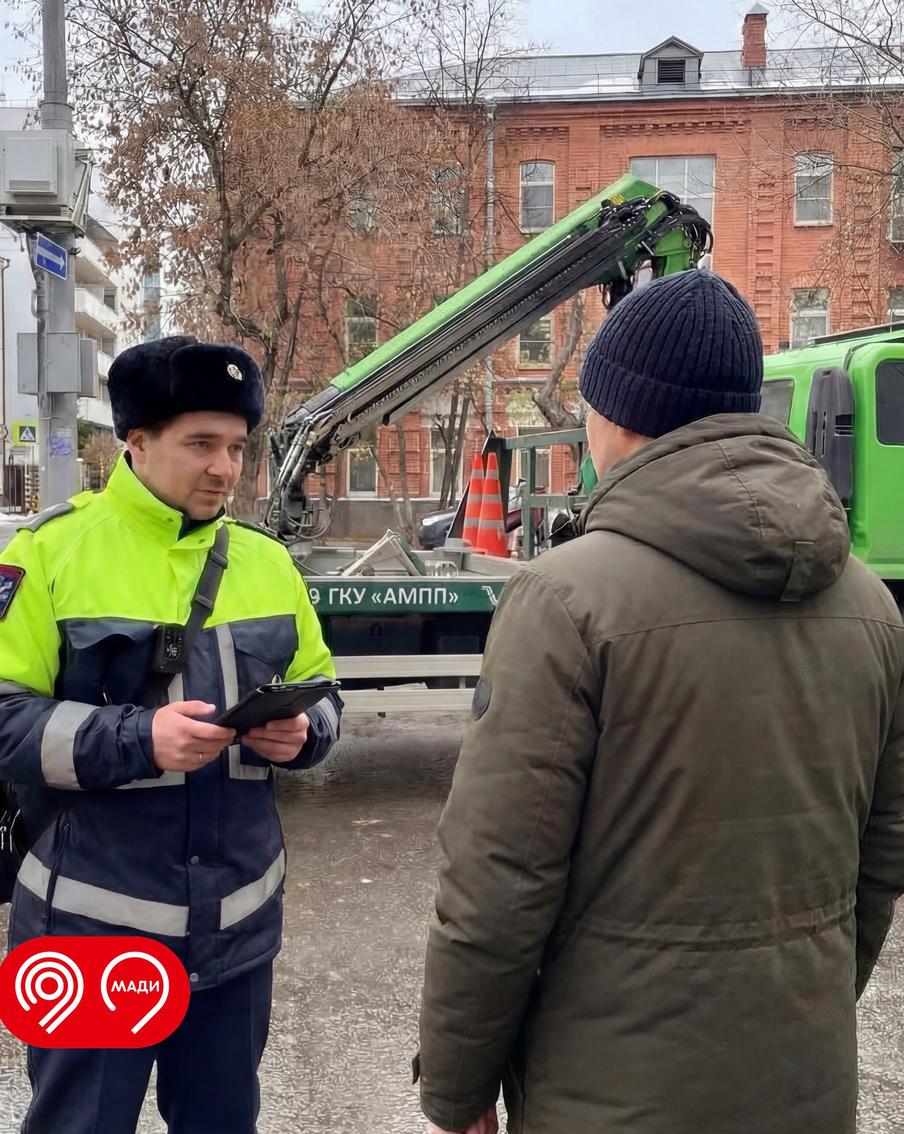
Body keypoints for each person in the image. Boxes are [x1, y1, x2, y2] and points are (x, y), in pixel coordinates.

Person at [417, 271, 904, 1134]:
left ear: (617, 414)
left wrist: (457, 1090)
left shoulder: (566, 600)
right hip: (805, 1083)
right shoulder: (870, 604)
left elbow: (498, 884)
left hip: (608, 1096)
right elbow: (880, 861)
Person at [0, 335, 342, 1133]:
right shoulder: (48, 554)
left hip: (235, 938)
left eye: (235, 447)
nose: (224, 468)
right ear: (137, 441)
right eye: (200, 445)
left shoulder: (267, 563)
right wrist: (138, 738)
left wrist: (305, 735)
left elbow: (327, 696)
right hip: (91, 936)